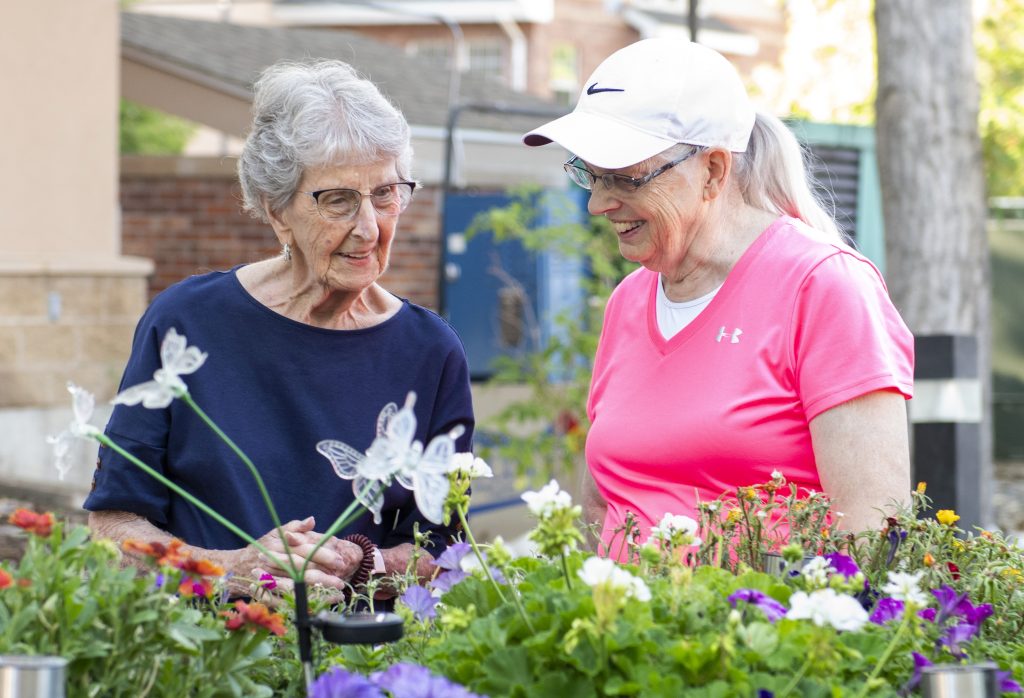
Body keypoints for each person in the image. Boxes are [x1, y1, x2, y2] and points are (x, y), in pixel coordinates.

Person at [85, 59, 474, 597]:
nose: (368, 227)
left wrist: (362, 562)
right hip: (210, 659)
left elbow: (447, 551)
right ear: (276, 210)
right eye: (338, 199)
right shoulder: (187, 324)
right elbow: (112, 529)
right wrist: (235, 570)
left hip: (356, 667)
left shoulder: (430, 352)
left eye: (385, 194)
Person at [523, 38, 913, 556]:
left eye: (624, 178)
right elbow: (604, 503)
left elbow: (871, 533)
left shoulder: (824, 287)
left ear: (712, 170)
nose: (597, 202)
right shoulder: (629, 300)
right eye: (590, 174)